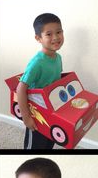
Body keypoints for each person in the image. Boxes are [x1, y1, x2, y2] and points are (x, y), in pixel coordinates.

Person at [16, 13, 64, 149]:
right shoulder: (37, 63)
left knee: (49, 141)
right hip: (37, 112)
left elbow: (57, 81)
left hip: (51, 108)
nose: (55, 37)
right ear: (38, 38)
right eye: (49, 34)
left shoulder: (58, 57)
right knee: (35, 145)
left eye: (59, 32)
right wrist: (26, 117)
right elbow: (21, 88)